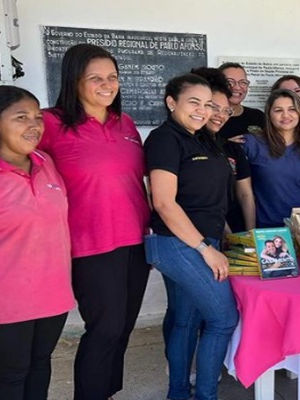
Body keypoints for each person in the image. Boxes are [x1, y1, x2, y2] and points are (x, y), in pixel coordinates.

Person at [39, 44, 151, 400]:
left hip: (136, 241)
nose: (107, 85)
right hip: (90, 244)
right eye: (96, 78)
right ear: (74, 81)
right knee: (104, 329)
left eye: (113, 77)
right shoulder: (50, 123)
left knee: (123, 329)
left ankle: (106, 392)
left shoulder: (126, 123)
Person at [0, 86, 74, 400]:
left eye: (38, 117)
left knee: (40, 365)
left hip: (52, 294)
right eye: (21, 117)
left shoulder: (45, 162)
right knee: (11, 374)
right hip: (4, 299)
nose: (34, 125)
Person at [144, 73, 239, 400]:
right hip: (178, 243)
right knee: (224, 318)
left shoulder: (203, 139)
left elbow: (209, 200)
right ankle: (206, 396)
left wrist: (223, 236)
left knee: (185, 321)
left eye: (208, 105)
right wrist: (204, 248)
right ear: (172, 103)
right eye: (194, 103)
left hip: (200, 241)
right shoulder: (165, 139)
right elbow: (163, 202)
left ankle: (179, 393)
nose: (203, 111)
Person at [244, 89, 300, 228]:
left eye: (292, 109)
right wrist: (250, 232)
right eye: (278, 110)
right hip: (266, 228)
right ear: (269, 114)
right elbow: (244, 193)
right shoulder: (251, 144)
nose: (285, 115)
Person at [191, 67, 255, 233]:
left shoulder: (231, 148)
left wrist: (250, 235)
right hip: (204, 234)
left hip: (236, 231)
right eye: (214, 107)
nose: (220, 115)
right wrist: (228, 234)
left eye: (226, 111)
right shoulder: (186, 144)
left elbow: (245, 194)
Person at [217, 62, 265, 143]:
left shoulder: (258, 116)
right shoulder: (211, 117)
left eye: (243, 82)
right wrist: (226, 145)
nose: (237, 87)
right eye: (229, 82)